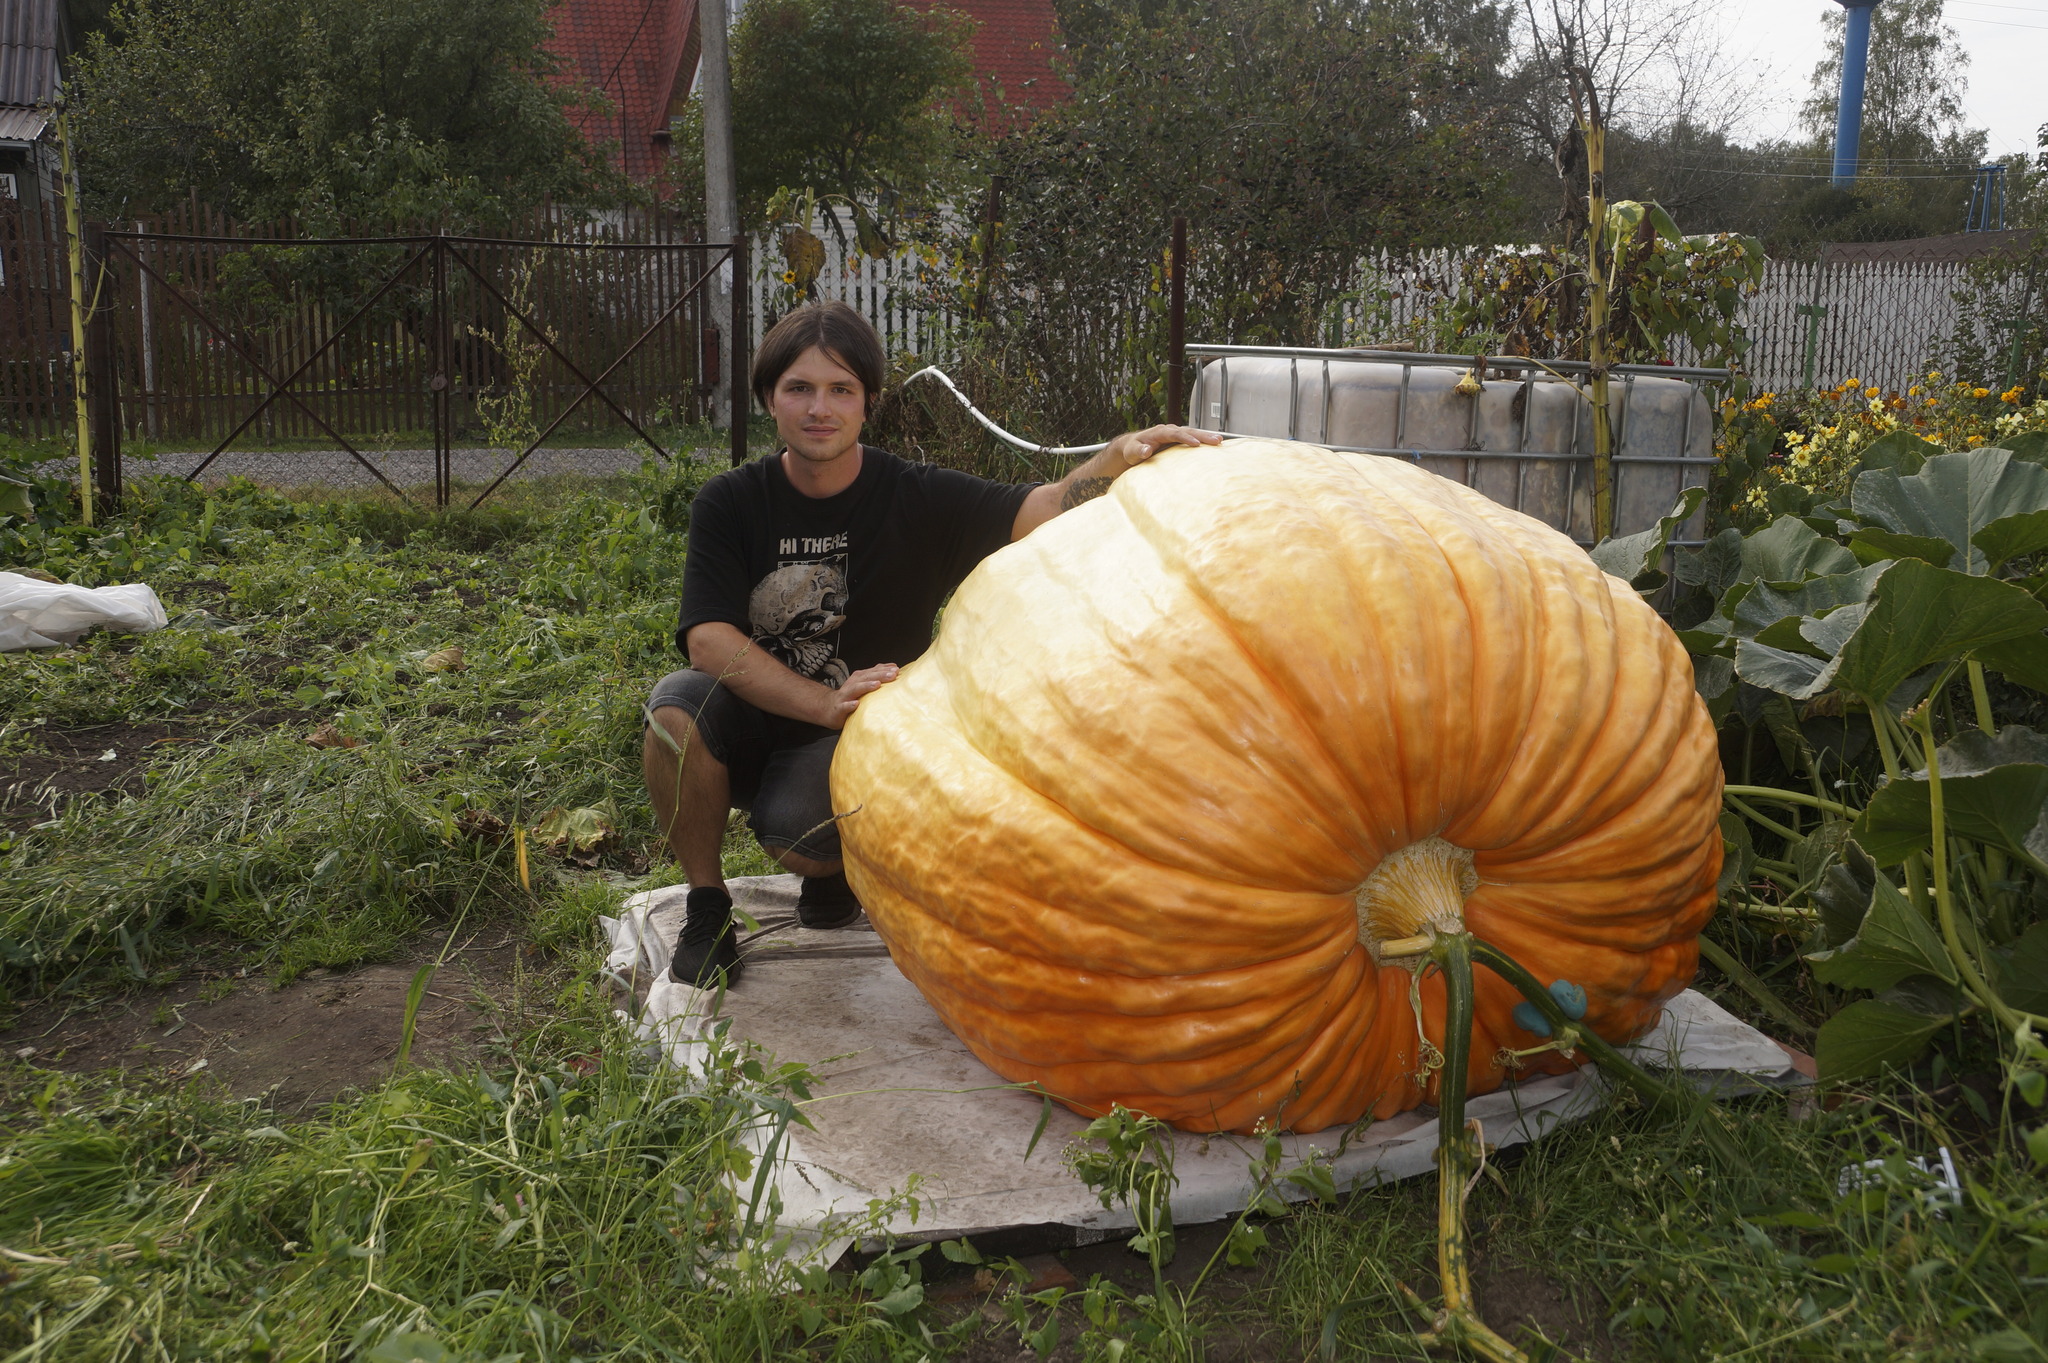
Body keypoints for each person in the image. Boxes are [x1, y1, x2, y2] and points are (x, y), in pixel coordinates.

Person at [645, 301, 1218, 985]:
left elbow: (1039, 508)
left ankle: (836, 869)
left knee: (799, 833)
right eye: (799, 388)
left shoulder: (913, 495)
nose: (819, 407)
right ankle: (709, 905)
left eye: (841, 390)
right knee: (674, 709)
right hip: (764, 710)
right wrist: (820, 702)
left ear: (869, 402)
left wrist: (1119, 456)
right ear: (770, 398)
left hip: (861, 733)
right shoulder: (729, 501)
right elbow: (708, 641)